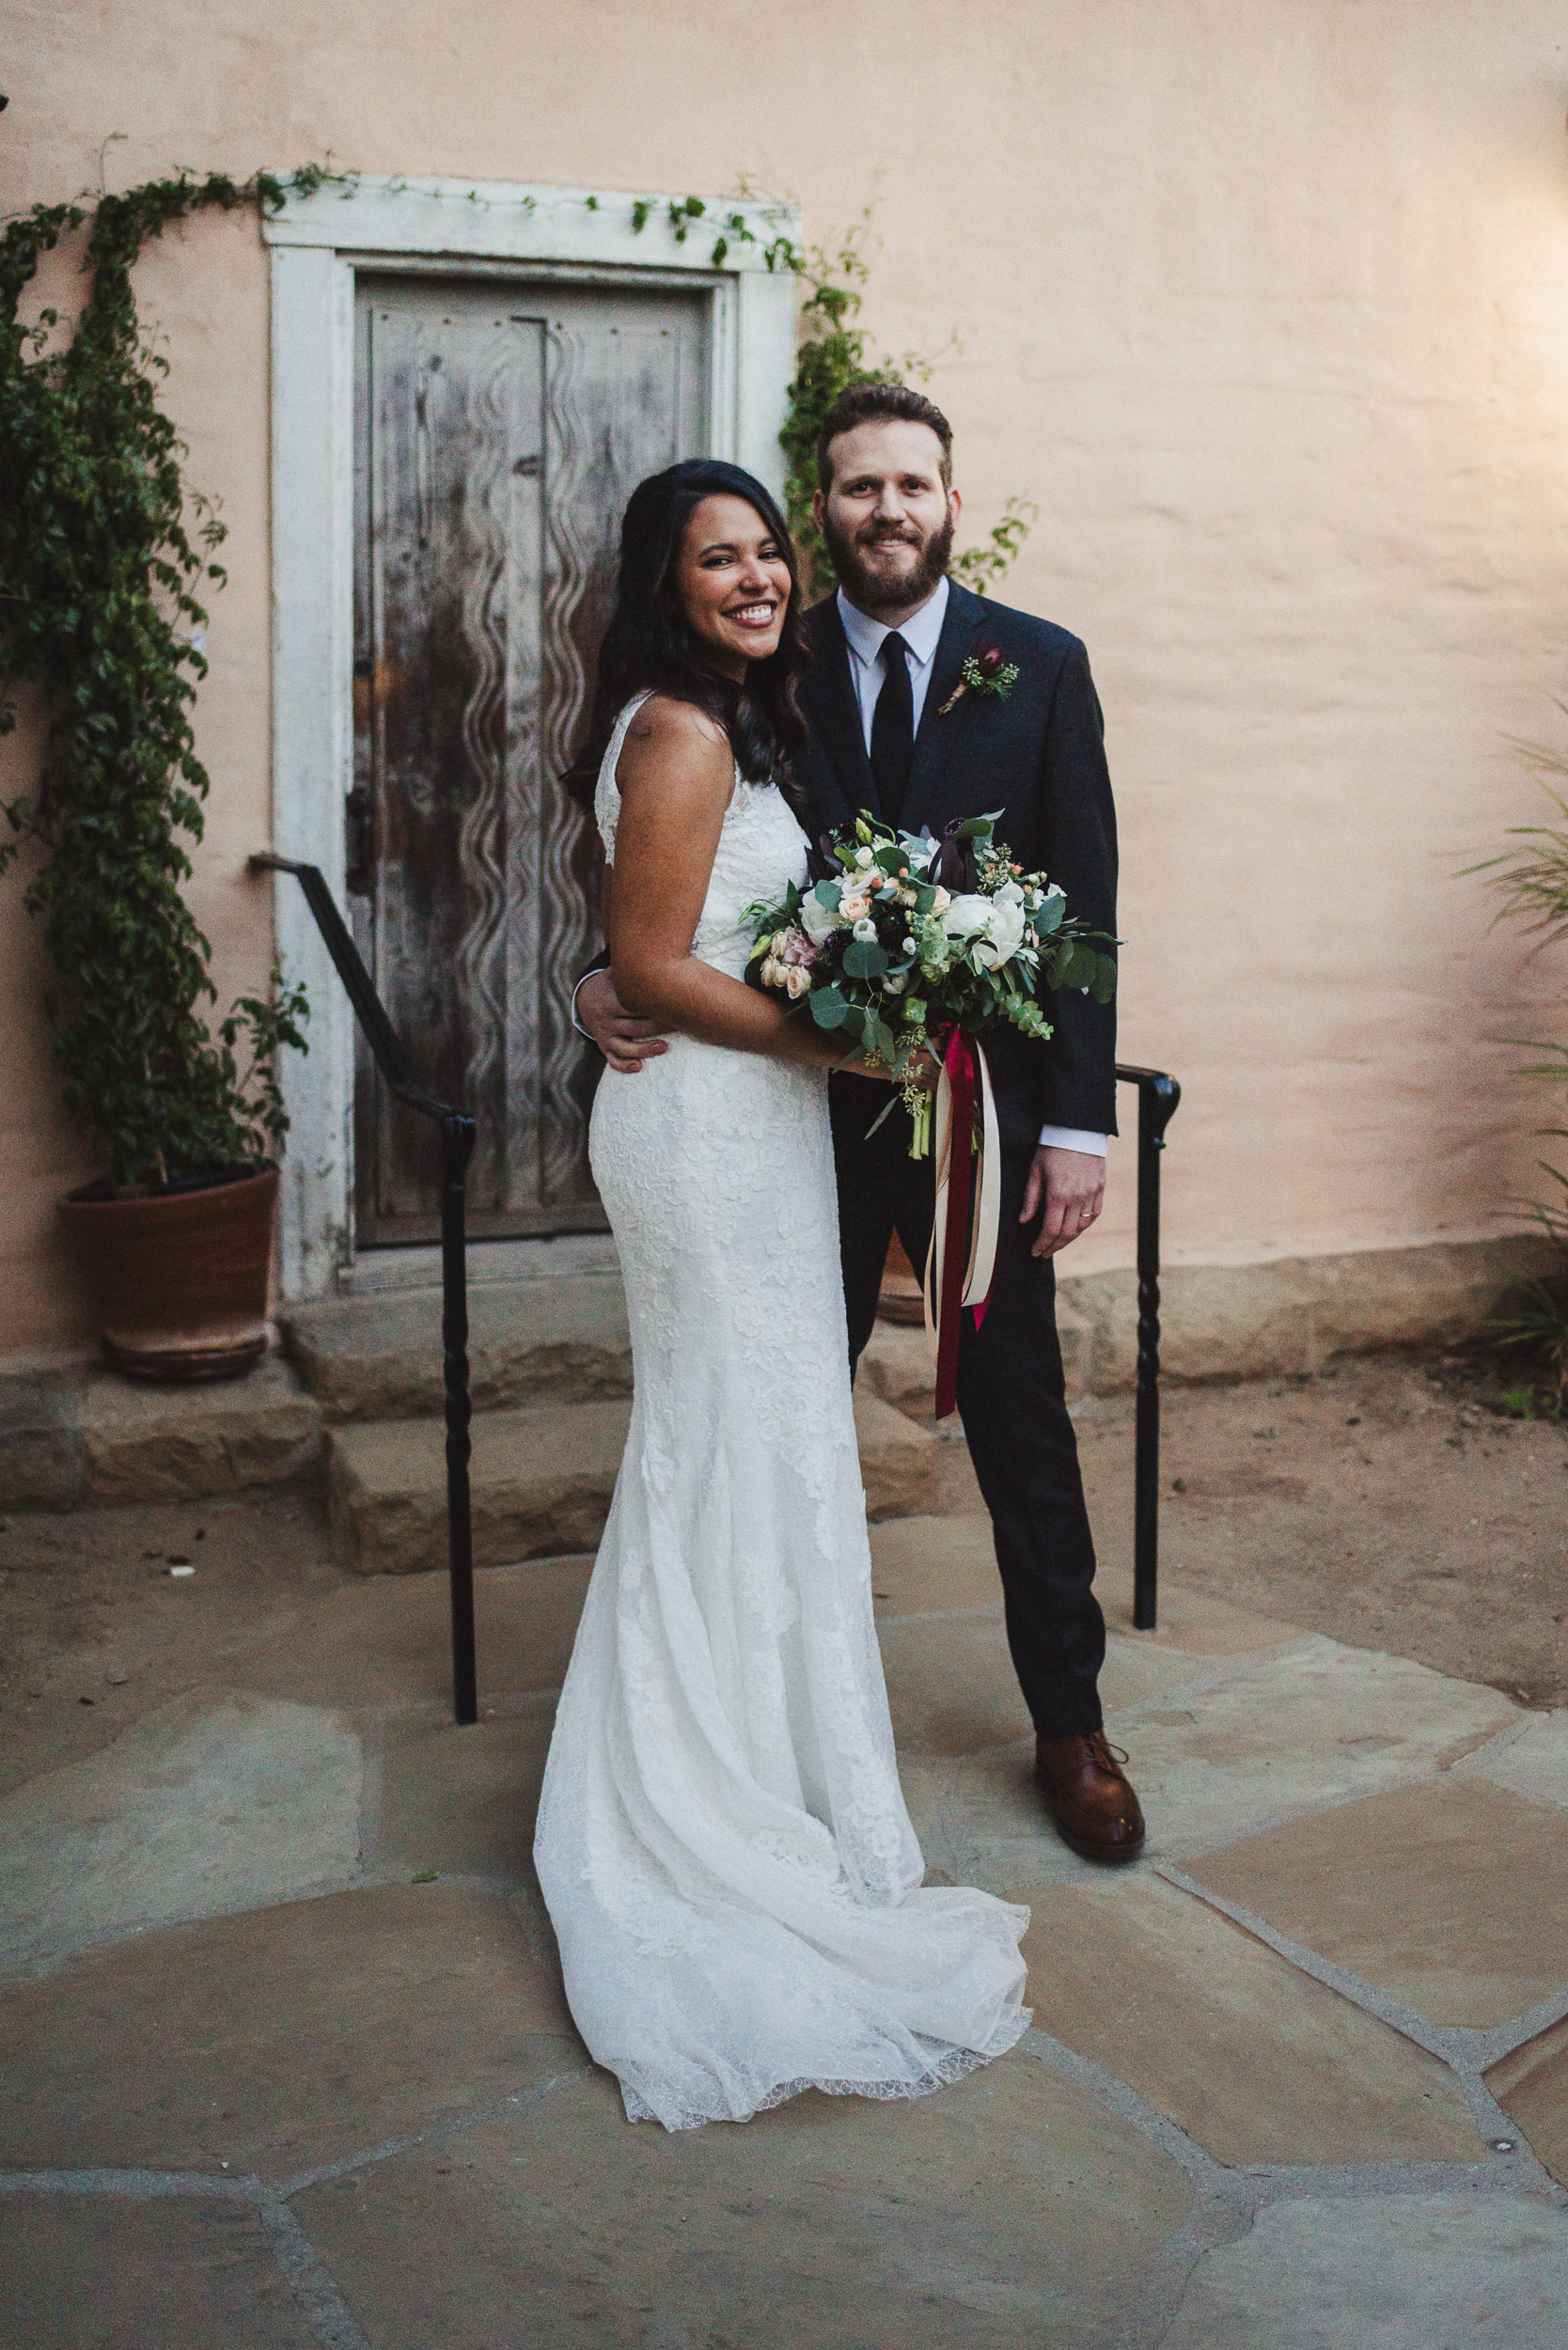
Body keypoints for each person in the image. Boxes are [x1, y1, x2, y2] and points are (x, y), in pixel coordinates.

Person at [576, 385, 1145, 1864]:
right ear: (822, 509)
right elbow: (667, 877)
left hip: (985, 1128)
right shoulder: (765, 657)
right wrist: (594, 975)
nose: (883, 510)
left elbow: (1083, 904)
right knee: (778, 1420)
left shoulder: (1042, 666)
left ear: (952, 501)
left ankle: (1072, 1728)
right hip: (793, 1130)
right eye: (854, 488)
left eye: (911, 485)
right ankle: (767, 1730)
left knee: (1024, 1421)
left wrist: (1077, 1127)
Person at [534, 458, 1030, 2134]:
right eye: (717, 559)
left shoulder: (754, 715)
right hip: (702, 1134)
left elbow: (690, 934)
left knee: (768, 1442)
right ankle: (699, 1798)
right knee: (726, 1438)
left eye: (763, 551)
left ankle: (774, 1773)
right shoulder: (678, 731)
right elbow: (659, 959)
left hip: (754, 1133)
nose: (752, 577)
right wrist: (843, 1037)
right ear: (666, 587)